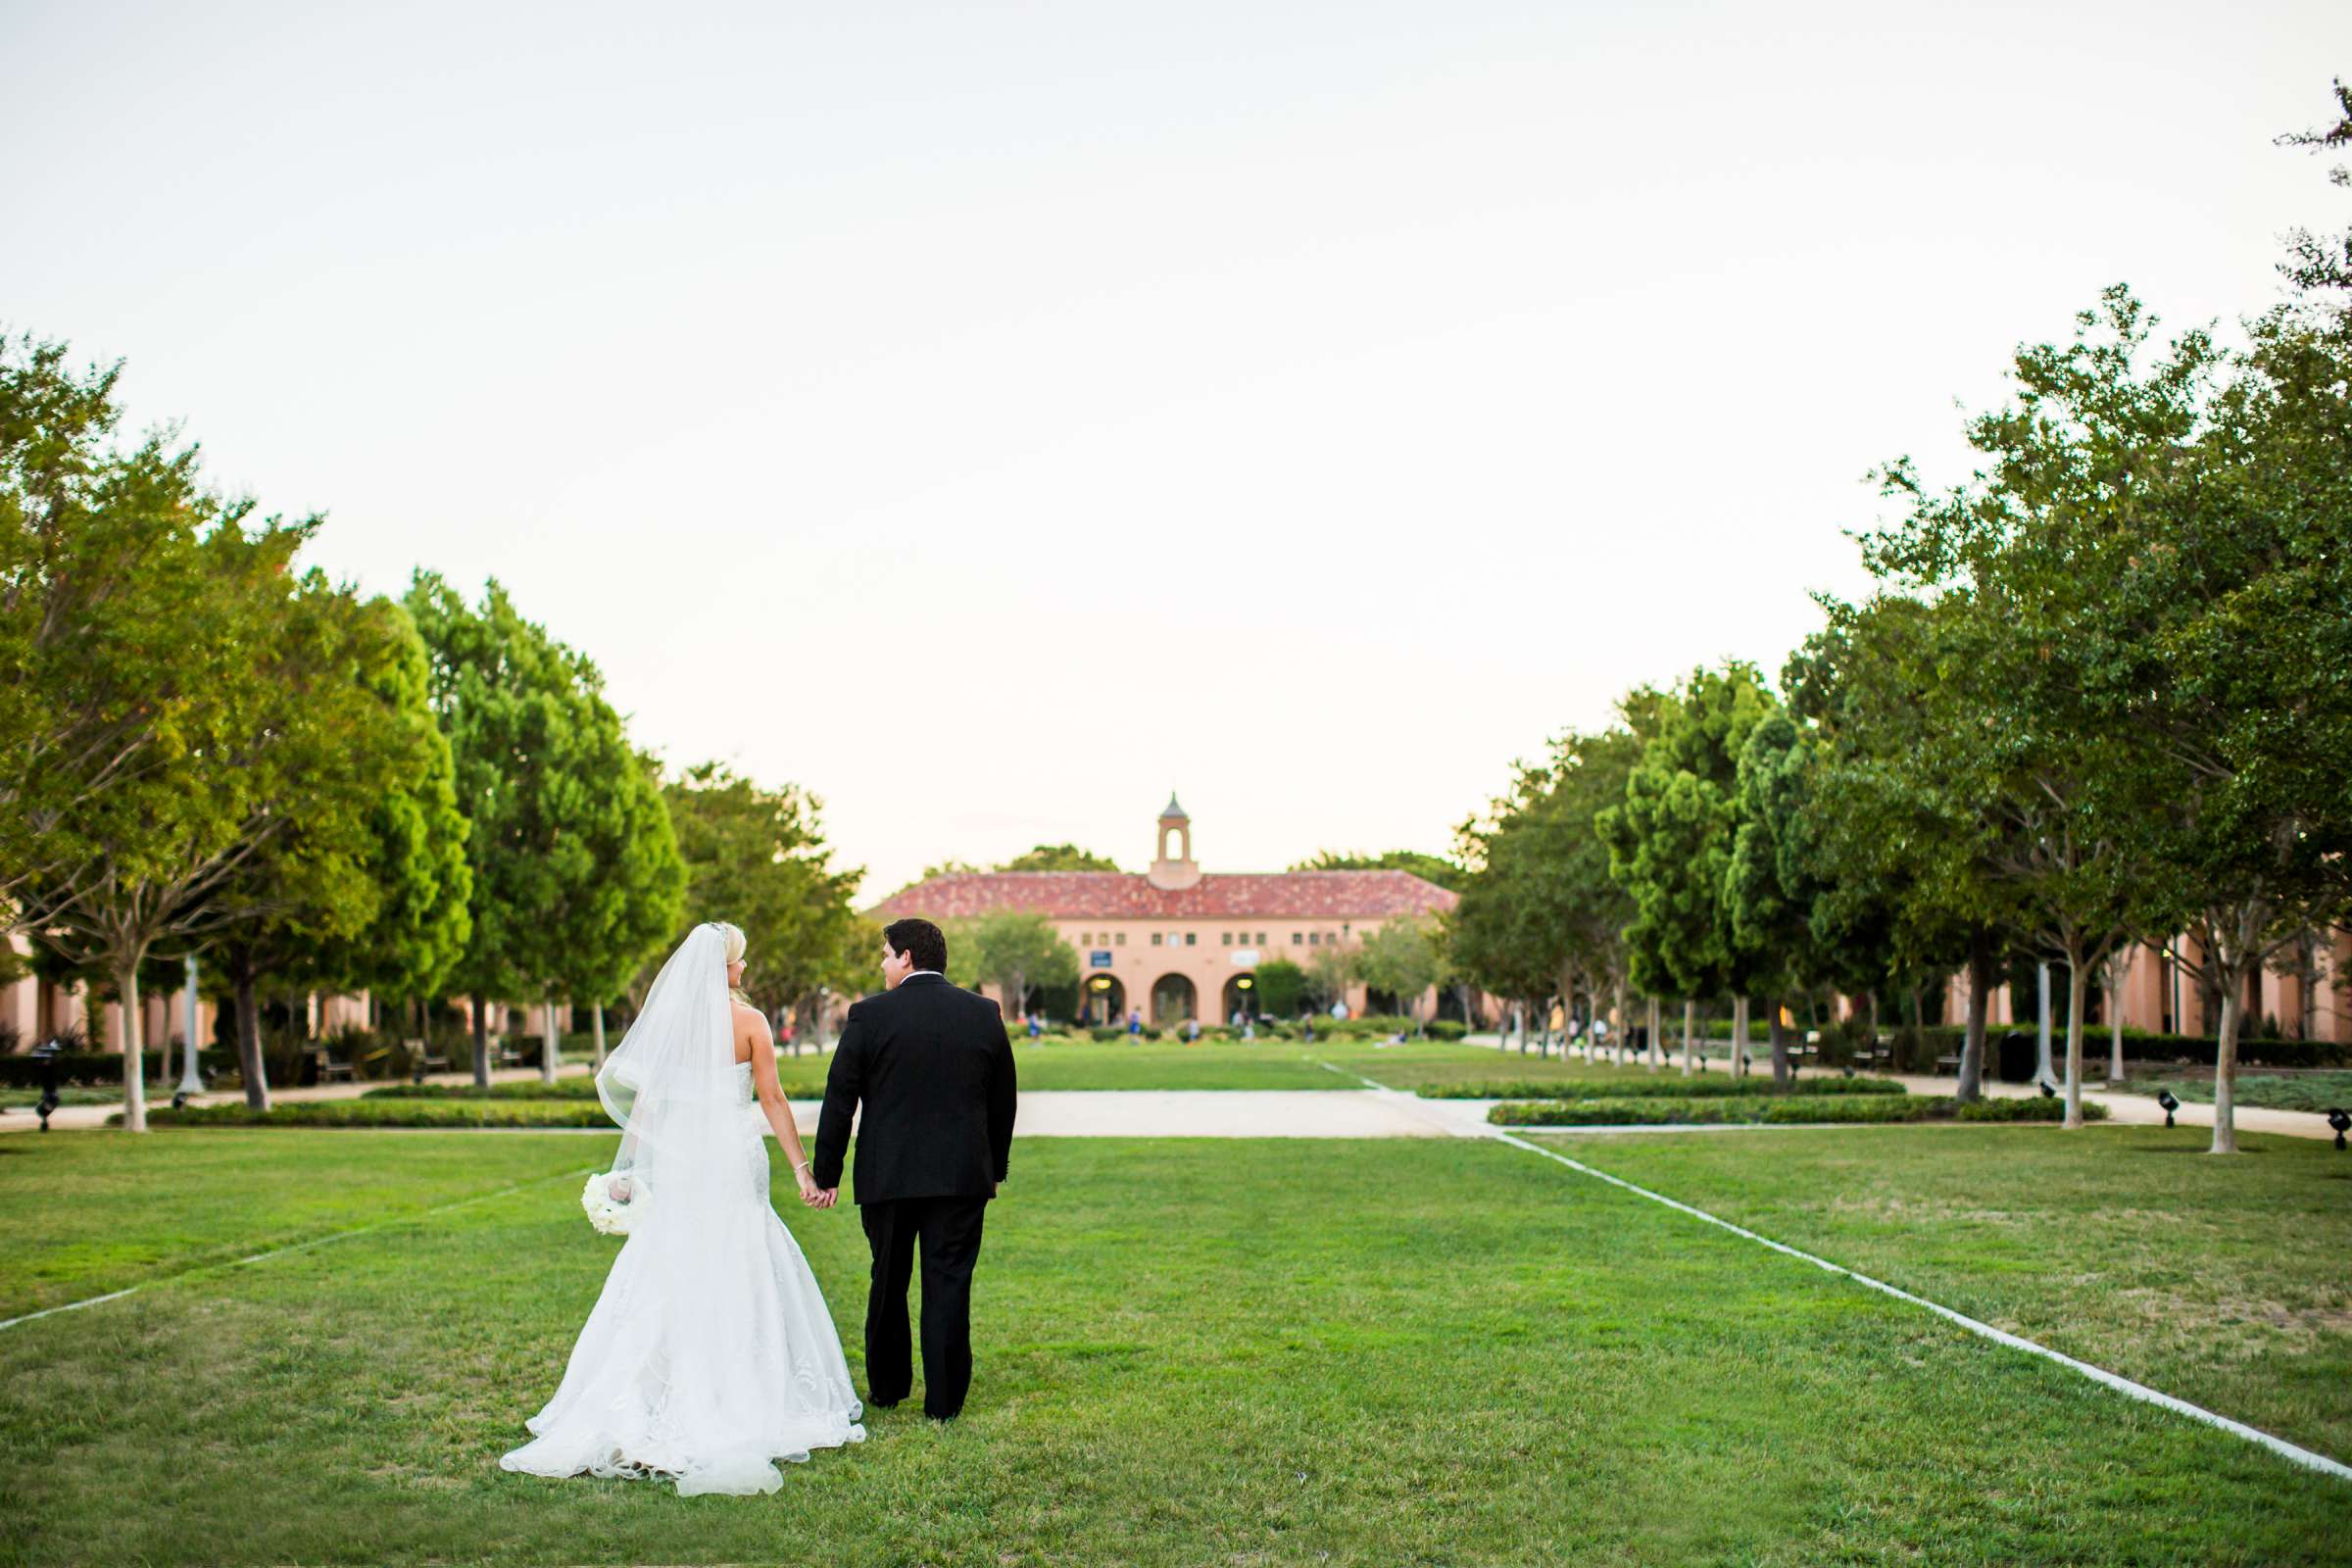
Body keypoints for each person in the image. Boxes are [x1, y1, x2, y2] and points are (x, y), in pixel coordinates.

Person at [500, 921, 864, 1495]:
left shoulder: (670, 1022)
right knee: (738, 1257)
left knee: (670, 1259)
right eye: (740, 961)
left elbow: (645, 1107)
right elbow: (771, 1098)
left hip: (681, 1158)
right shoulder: (751, 1023)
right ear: (725, 966)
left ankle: (651, 1391)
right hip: (731, 1155)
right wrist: (802, 1170)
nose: (744, 968)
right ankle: (735, 1391)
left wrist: (629, 1170)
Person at [812, 917, 1017, 1423]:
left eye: (885, 954)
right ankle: (944, 1403)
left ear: (906, 957)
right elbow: (1003, 1100)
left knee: (888, 1278)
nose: (882, 964)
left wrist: (827, 1173)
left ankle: (886, 1387)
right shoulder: (983, 1013)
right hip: (961, 1176)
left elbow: (840, 1100)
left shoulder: (868, 1016)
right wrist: (995, 1166)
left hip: (889, 1176)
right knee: (949, 1281)